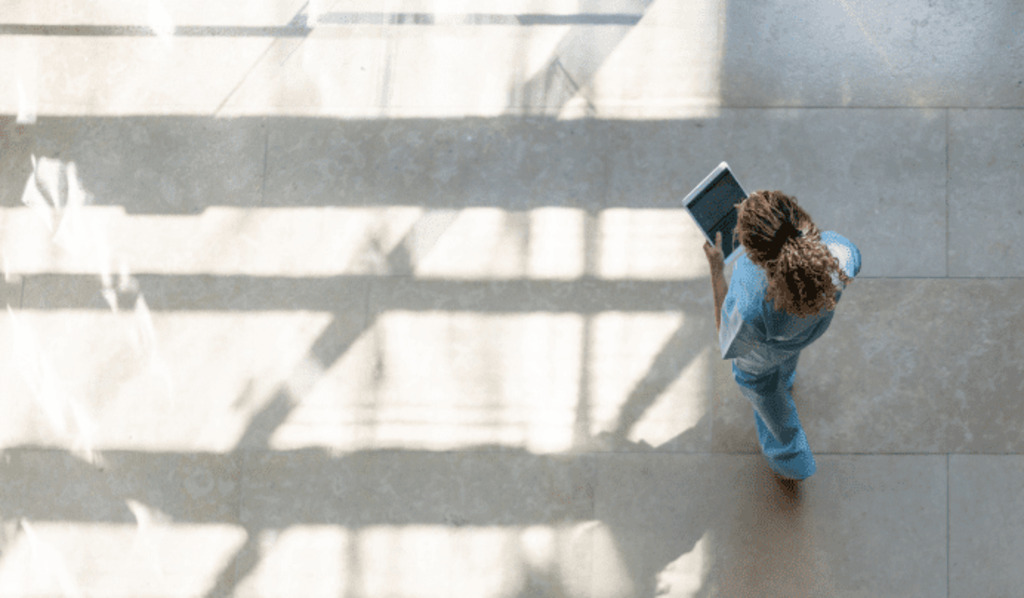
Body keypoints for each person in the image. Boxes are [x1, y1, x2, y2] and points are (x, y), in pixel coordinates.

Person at [702, 190, 862, 484]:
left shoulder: (751, 296)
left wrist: (716, 271)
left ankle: (793, 463)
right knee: (786, 357)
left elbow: (731, 341)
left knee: (769, 402)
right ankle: (786, 380)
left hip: (761, 356)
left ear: (754, 255)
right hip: (804, 333)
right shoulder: (841, 253)